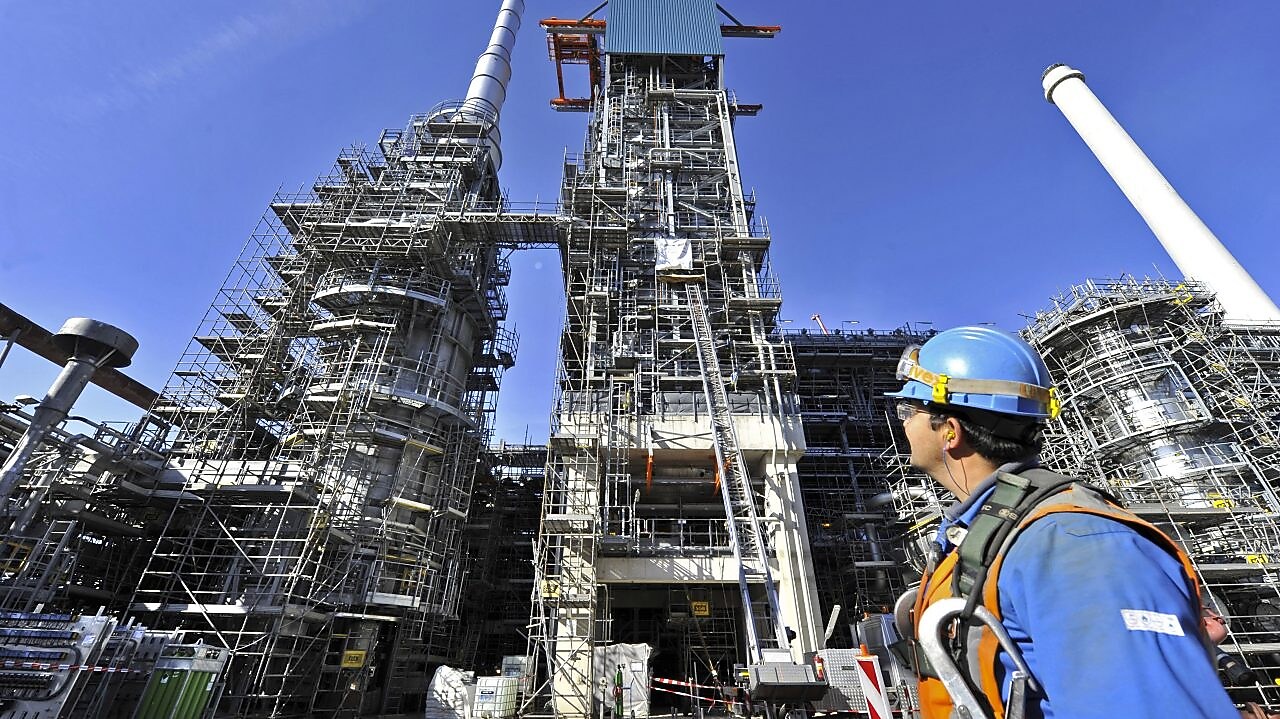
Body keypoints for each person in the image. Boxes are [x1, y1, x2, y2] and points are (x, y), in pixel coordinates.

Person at [888, 325, 1240, 719]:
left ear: (950, 432)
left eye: (909, 411)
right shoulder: (994, 535)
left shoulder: (1073, 542)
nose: (903, 424)